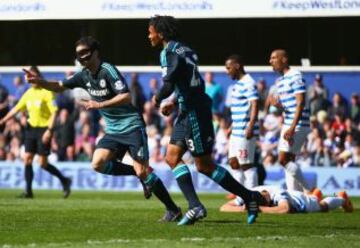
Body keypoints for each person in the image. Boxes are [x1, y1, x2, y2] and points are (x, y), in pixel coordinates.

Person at [23, 36, 181, 222]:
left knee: (143, 172)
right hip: (113, 130)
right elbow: (59, 86)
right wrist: (39, 82)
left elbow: (126, 96)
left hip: (131, 126)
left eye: (85, 54)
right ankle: (137, 172)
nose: (82, 58)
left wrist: (100, 105)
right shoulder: (83, 75)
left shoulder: (108, 70)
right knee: (98, 163)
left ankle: (173, 209)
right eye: (78, 55)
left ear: (96, 53)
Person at [148, 15, 265, 225]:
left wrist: (157, 98)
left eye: (151, 31)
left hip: (194, 112)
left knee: (204, 166)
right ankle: (195, 205)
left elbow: (169, 82)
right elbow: (190, 83)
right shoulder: (186, 50)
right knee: (172, 157)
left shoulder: (169, 52)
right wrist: (175, 101)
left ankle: (250, 197)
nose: (149, 35)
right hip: (187, 109)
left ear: (161, 33)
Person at [0, 66, 71, 199]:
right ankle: (28, 192)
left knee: (42, 163)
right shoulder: (28, 93)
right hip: (31, 129)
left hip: (44, 130)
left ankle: (64, 180)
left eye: (32, 76)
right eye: (28, 77)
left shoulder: (47, 92)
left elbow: (54, 112)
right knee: (27, 158)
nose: (29, 79)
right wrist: (3, 120)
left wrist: (49, 131)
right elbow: (16, 109)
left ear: (38, 76)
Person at [268, 49, 311, 192]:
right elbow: (290, 106)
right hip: (289, 123)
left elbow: (301, 102)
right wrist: (279, 105)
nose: (271, 61)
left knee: (283, 159)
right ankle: (296, 196)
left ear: (284, 60)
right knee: (289, 161)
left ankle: (310, 190)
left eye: (274, 58)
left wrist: (292, 127)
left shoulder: (295, 75)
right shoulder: (280, 81)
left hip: (297, 124)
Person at [224, 55, 259, 194]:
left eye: (228, 68)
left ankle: (254, 196)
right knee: (233, 163)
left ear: (237, 66)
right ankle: (240, 195)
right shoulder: (238, 84)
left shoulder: (248, 82)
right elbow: (241, 108)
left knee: (246, 165)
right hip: (236, 130)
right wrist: (232, 126)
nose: (227, 71)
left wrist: (251, 125)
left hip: (245, 130)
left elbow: (254, 104)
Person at [220, 187, 353, 214]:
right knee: (317, 199)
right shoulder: (249, 193)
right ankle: (315, 194)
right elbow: (224, 207)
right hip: (294, 195)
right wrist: (241, 209)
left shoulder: (276, 193)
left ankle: (341, 198)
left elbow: (285, 209)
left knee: (322, 206)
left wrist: (258, 209)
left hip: (301, 201)